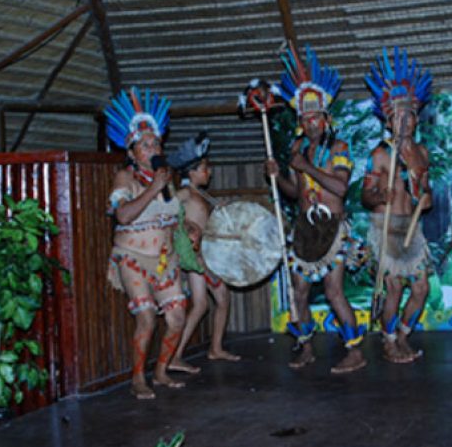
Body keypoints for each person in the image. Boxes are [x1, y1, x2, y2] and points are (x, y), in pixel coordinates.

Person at [265, 52, 367, 373]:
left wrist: (306, 166)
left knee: (335, 291)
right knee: (300, 291)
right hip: (305, 230)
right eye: (305, 119)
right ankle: (306, 347)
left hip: (332, 229)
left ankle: (355, 352)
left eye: (316, 118)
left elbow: (339, 188)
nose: (311, 124)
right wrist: (278, 175)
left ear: (326, 119)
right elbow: (296, 193)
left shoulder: (339, 149)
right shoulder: (298, 150)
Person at [104, 87, 189, 399]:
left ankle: (162, 371)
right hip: (133, 256)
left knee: (178, 317)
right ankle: (138, 377)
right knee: (147, 317)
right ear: (132, 151)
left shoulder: (165, 178)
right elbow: (123, 216)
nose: (152, 149)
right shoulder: (124, 179)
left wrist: (187, 227)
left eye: (156, 143)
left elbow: (171, 214)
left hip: (164, 258)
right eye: (145, 145)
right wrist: (153, 188)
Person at [362, 47, 433, 364]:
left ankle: (401, 335)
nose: (404, 121)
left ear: (416, 118)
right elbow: (365, 197)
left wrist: (425, 199)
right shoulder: (379, 154)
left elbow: (424, 195)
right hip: (385, 228)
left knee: (420, 289)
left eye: (409, 115)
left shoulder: (422, 153)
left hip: (411, 229)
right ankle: (389, 342)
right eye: (397, 116)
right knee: (392, 289)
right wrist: (380, 197)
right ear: (388, 121)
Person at [166, 133, 241, 375]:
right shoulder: (186, 193)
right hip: (194, 259)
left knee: (201, 305)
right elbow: (168, 211)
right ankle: (197, 351)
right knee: (221, 296)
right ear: (192, 172)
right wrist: (185, 227)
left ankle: (191, 353)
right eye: (205, 168)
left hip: (200, 258)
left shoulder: (200, 195)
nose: (209, 172)